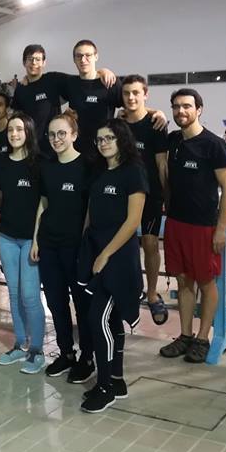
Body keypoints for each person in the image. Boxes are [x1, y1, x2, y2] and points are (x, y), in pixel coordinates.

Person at [159, 88, 226, 364]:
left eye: (187, 106)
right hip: (176, 223)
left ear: (199, 109)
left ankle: (203, 338)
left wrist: (221, 228)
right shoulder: (173, 140)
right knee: (183, 280)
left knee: (206, 282)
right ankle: (185, 335)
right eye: (176, 106)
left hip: (203, 227)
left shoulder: (214, 145)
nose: (181, 111)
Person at [77, 119, 147, 413]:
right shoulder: (99, 172)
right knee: (111, 319)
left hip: (118, 257)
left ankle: (104, 386)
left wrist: (105, 254)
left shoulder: (134, 172)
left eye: (109, 138)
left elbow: (133, 221)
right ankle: (116, 380)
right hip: (97, 250)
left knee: (98, 319)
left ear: (122, 140)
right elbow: (91, 213)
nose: (103, 143)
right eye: (100, 139)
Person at [32, 110, 94, 383]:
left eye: (62, 134)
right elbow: (42, 204)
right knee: (56, 303)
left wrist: (86, 245)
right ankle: (66, 352)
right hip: (49, 245)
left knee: (82, 304)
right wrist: (36, 239)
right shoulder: (47, 167)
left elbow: (91, 210)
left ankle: (87, 357)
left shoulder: (87, 166)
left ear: (74, 135)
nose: (56, 139)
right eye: (52, 135)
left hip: (76, 248)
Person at [0, 113, 46, 374]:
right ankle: (20, 343)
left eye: (19, 129)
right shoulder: (2, 163)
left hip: (29, 240)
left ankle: (37, 349)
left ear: (28, 132)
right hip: (7, 236)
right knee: (13, 294)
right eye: (11, 130)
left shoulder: (38, 163)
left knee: (30, 296)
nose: (14, 134)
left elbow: (43, 204)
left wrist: (36, 239)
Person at [120, 75, 169, 325]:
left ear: (145, 95)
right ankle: (128, 290)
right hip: (123, 194)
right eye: (126, 93)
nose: (131, 97)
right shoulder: (118, 124)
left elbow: (162, 163)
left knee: (150, 244)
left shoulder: (156, 124)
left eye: (136, 93)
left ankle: (151, 292)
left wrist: (167, 195)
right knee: (123, 244)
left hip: (150, 194)